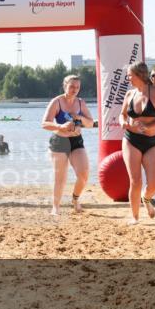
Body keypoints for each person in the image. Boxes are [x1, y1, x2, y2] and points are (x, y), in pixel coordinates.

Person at [120, 62, 155, 225]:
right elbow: (121, 115)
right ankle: (134, 217)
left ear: (139, 75)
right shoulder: (130, 94)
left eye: (130, 75)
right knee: (135, 181)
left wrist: (149, 126)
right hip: (131, 140)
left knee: (154, 184)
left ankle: (146, 198)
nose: (128, 78)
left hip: (151, 141)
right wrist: (123, 122)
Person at [41, 74, 95, 216]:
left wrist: (80, 117)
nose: (74, 89)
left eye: (77, 87)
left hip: (76, 141)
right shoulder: (57, 102)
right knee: (61, 176)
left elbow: (90, 124)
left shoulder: (80, 102)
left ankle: (75, 199)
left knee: (83, 174)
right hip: (60, 142)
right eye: (71, 86)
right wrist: (60, 126)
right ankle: (56, 207)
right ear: (65, 86)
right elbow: (44, 123)